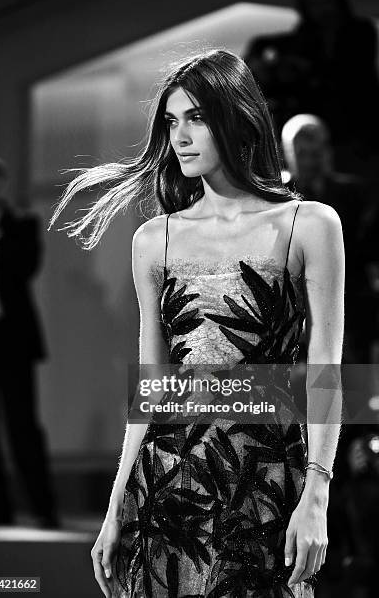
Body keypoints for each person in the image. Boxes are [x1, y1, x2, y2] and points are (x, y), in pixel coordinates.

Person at [48, 49, 344, 597]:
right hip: (166, 486)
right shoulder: (153, 240)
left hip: (264, 483)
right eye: (170, 122)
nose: (179, 137)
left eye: (196, 118)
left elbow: (323, 371)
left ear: (236, 117)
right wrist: (116, 503)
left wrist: (318, 492)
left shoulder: (310, 225)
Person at [0, 153, 59, 529]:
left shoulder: (22, 222)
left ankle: (43, 508)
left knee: (22, 425)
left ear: (1, 183)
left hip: (12, 339)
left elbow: (25, 269)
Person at [245, 0, 379, 177]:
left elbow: (350, 72)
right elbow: (272, 49)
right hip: (317, 124)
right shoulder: (303, 37)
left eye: (326, 2)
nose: (322, 9)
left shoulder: (360, 30)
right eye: (314, 4)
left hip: (356, 125)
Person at [281, 114, 375, 365]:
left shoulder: (353, 194)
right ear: (290, 153)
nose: (310, 161)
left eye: (316, 152)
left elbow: (364, 250)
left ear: (326, 151)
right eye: (303, 153)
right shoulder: (277, 200)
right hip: (295, 309)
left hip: (349, 303)